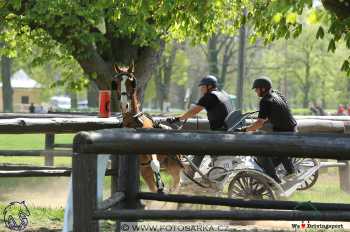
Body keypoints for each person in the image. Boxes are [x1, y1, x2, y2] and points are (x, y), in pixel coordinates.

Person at [167, 75, 234, 177]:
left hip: (219, 132)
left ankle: (191, 171)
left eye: (202, 87)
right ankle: (211, 169)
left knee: (200, 146)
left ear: (209, 86)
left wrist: (178, 118)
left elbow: (194, 111)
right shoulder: (222, 94)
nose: (201, 90)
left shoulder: (210, 96)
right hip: (227, 130)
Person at [236, 76, 297, 183]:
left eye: (256, 89)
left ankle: (273, 180)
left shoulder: (265, 101)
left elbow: (259, 123)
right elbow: (279, 112)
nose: (255, 91)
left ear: (263, 89)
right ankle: (290, 170)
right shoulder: (277, 94)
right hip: (293, 130)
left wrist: (244, 130)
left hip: (282, 134)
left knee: (260, 151)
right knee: (277, 152)